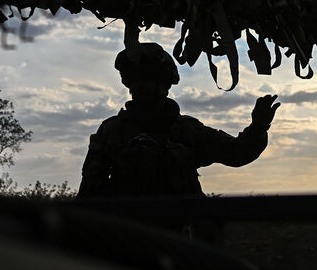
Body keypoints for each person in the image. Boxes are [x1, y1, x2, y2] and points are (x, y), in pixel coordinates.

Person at [77, 42, 280, 201]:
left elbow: (236, 154)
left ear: (164, 83)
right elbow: (89, 193)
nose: (138, 86)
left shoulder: (186, 130)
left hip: (176, 237)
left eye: (146, 79)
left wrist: (258, 128)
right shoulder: (112, 130)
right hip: (125, 238)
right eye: (133, 80)